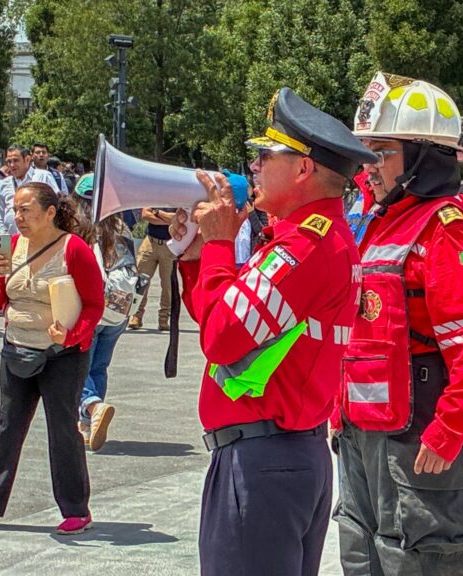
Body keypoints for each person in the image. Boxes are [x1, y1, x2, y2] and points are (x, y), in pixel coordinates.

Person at [169, 87, 376, 576]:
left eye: (266, 156)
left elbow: (221, 339)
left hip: (264, 461)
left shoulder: (304, 245)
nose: (254, 166)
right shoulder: (307, 238)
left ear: (303, 169)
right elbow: (226, 319)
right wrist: (198, 255)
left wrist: (219, 245)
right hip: (275, 454)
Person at [333, 72, 463, 576]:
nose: (368, 166)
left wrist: (450, 430)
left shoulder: (447, 227)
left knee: (421, 557)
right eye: (365, 152)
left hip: (422, 433)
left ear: (424, 156)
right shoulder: (378, 219)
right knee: (361, 551)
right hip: (363, 430)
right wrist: (339, 410)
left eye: (381, 152)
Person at [0, 182, 104, 535]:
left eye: (25, 210)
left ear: (50, 213)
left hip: (62, 355)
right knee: (7, 427)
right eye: (15, 210)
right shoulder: (11, 246)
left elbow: (94, 304)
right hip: (16, 348)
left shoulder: (74, 249)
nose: (17, 217)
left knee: (63, 430)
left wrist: (70, 335)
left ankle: (76, 510)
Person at [72, 173, 136, 451]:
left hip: (91, 306)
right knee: (99, 366)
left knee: (77, 366)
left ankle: (92, 406)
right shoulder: (120, 226)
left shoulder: (78, 227)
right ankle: (87, 424)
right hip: (119, 309)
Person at [128, 207, 175, 331]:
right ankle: (136, 316)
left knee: (167, 285)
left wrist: (158, 213)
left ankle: (163, 318)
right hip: (150, 242)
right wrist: (168, 219)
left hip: (170, 246)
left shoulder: (177, 199)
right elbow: (145, 214)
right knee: (140, 281)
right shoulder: (155, 197)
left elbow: (178, 219)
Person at [0, 144, 60, 235]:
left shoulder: (43, 177)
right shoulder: (5, 184)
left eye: (16, 160)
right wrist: (4, 239)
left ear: (27, 159)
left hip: (41, 239)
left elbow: (58, 205)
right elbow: (0, 218)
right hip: (14, 240)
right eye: (9, 161)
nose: (12, 165)